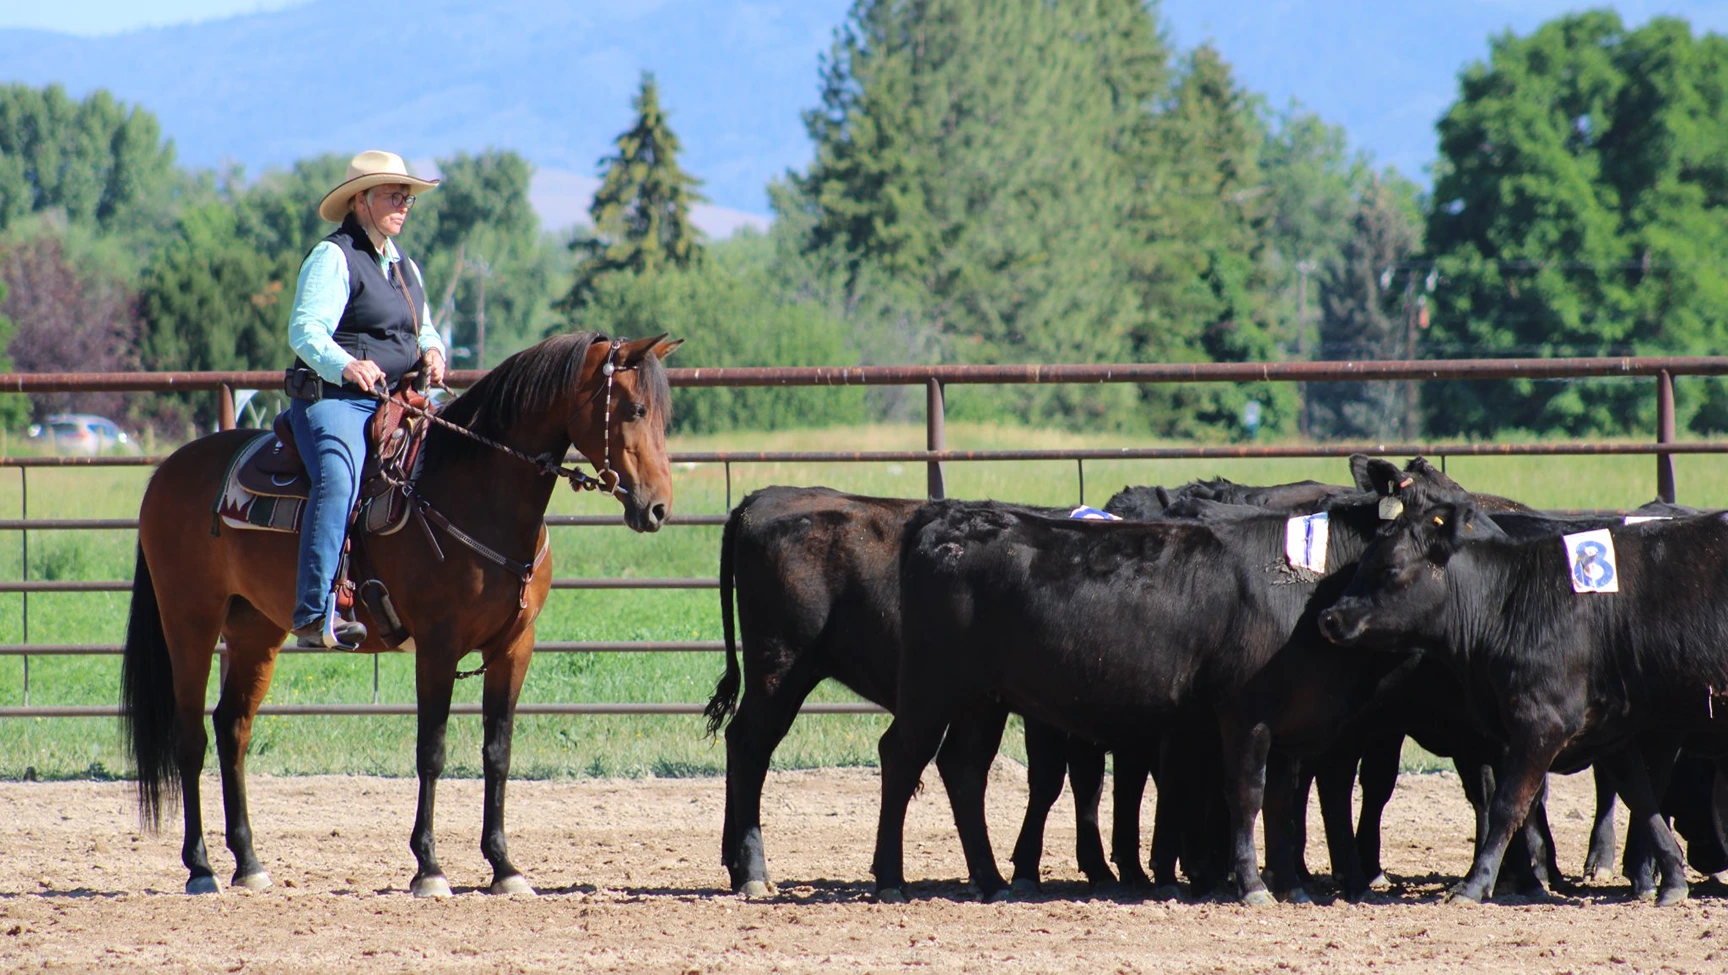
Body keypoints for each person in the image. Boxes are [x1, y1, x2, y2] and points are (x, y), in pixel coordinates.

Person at [284, 150, 448, 649]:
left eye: (408, 197)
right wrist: (347, 365)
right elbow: (306, 330)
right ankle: (314, 613)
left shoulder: (406, 268)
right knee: (339, 477)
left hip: (397, 400)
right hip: (334, 400)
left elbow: (421, 328)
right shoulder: (333, 257)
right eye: (393, 195)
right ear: (360, 201)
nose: (404, 204)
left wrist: (434, 350)